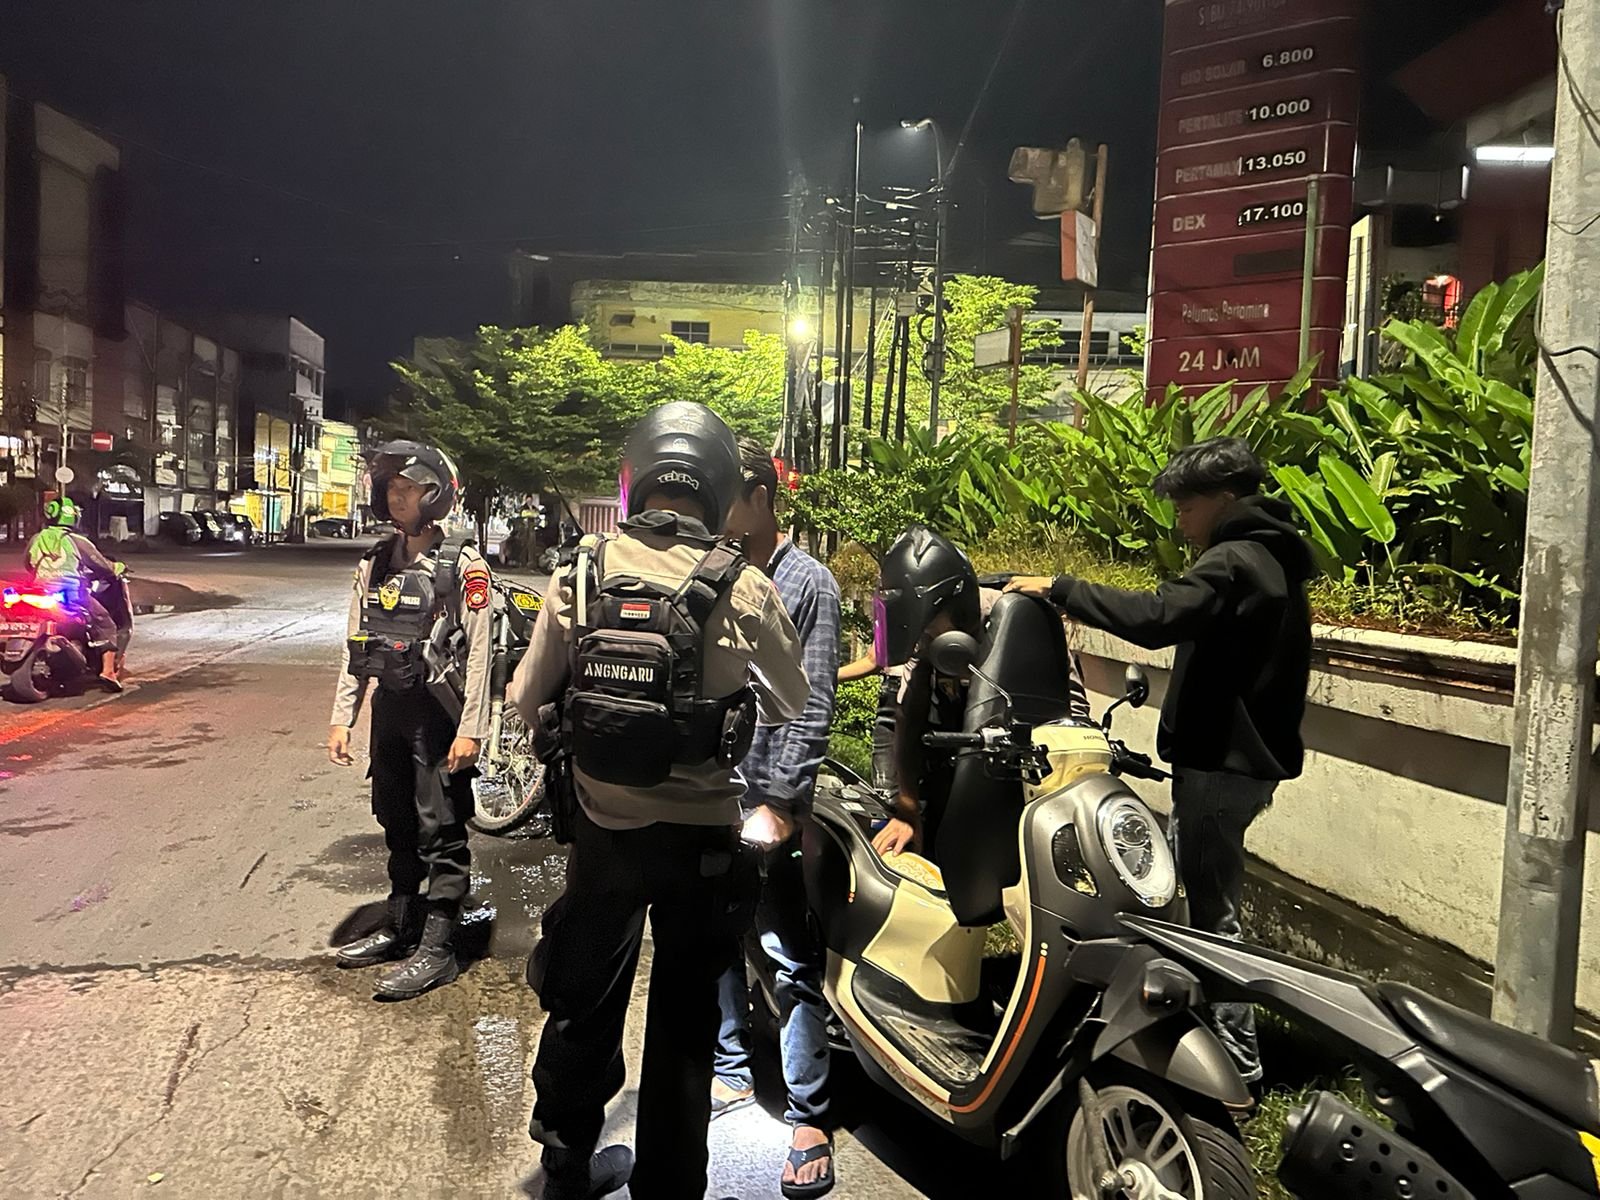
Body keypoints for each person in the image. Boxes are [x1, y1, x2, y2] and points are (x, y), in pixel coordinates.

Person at [510, 402, 810, 1200]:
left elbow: (524, 698)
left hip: (603, 834)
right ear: (717, 485)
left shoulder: (580, 573)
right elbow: (792, 700)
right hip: (702, 845)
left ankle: (566, 1165)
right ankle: (670, 1189)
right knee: (684, 1025)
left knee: (584, 1000)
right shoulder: (743, 585)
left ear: (637, 476)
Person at [1005, 436, 1313, 1083]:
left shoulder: (1236, 559)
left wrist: (1063, 588)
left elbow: (1156, 616)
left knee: (1209, 917)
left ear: (1223, 499)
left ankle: (1236, 1064)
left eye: (1185, 507)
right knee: (1193, 899)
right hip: (1244, 765)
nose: (1179, 521)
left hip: (1223, 767)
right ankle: (1196, 1029)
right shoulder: (1275, 555)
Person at [712, 439, 841, 1199]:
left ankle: (809, 1115)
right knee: (719, 938)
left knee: (787, 950)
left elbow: (813, 699)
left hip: (769, 798)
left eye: (729, 495)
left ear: (760, 497)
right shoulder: (721, 573)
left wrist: (783, 800)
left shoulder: (808, 581)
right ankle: (731, 1069)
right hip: (716, 792)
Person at [326, 440, 493, 1000]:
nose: (398, 498)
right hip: (390, 712)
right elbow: (357, 642)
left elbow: (480, 653)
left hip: (438, 714)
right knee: (395, 819)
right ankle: (401, 926)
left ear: (435, 494)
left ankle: (439, 948)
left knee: (441, 827)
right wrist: (343, 717)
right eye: (392, 489)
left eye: (410, 488)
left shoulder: (462, 566)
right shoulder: (375, 561)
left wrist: (471, 729)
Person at [26, 496, 126, 691]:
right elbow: (102, 565)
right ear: (72, 516)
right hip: (70, 594)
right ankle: (108, 671)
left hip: (39, 591)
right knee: (105, 623)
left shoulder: (36, 539)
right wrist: (117, 567)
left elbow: (28, 564)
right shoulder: (77, 542)